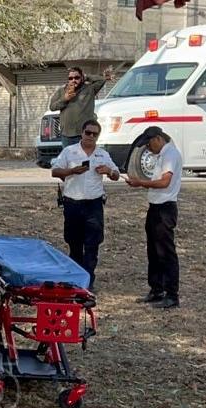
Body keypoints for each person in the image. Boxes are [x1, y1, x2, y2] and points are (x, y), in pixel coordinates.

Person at [51, 119, 119, 291]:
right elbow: (55, 171)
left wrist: (109, 172)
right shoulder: (69, 151)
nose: (90, 136)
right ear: (82, 132)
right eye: (88, 132)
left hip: (93, 205)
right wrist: (72, 171)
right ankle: (75, 279)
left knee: (92, 245)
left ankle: (88, 281)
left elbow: (117, 174)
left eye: (94, 134)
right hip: (72, 203)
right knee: (74, 244)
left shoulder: (102, 154)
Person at [125, 126, 182, 309]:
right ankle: (156, 289)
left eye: (149, 144)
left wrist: (141, 183)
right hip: (155, 206)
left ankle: (171, 294)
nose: (148, 149)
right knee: (154, 251)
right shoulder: (161, 155)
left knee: (166, 251)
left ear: (158, 139)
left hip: (165, 208)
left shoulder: (170, 154)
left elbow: (165, 181)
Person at [49, 67, 116, 148]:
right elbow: (52, 107)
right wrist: (65, 99)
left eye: (76, 77)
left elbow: (101, 80)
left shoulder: (90, 89)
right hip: (67, 135)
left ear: (82, 78)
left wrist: (87, 76)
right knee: (69, 159)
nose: (73, 80)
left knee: (85, 158)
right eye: (70, 78)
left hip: (85, 134)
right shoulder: (62, 91)